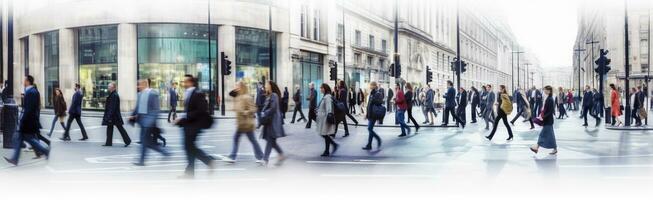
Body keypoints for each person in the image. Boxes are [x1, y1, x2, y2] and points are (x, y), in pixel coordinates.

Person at [174, 75, 216, 177]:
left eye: (185, 82)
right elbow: (188, 110)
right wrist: (180, 120)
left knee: (189, 147)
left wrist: (185, 117)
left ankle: (208, 161)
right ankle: (191, 172)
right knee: (189, 147)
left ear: (191, 82)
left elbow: (201, 110)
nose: (184, 84)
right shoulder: (189, 93)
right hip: (188, 125)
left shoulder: (198, 93)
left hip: (194, 126)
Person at [4, 75, 49, 166]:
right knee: (22, 139)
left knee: (27, 139)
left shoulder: (31, 92)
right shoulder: (30, 91)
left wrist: (23, 121)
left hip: (28, 122)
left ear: (28, 81)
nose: (23, 82)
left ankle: (45, 151)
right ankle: (15, 159)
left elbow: (29, 109)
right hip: (29, 121)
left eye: (24, 80)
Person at [131, 79, 170, 166]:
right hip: (141, 122)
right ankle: (164, 152)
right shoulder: (139, 94)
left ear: (145, 85)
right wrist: (132, 115)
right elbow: (137, 107)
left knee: (145, 142)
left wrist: (151, 121)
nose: (138, 87)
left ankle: (142, 161)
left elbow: (156, 110)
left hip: (148, 122)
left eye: (139, 85)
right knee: (146, 142)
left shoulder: (153, 94)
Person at [225, 81, 264, 164]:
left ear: (242, 87)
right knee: (250, 140)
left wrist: (246, 112)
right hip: (241, 123)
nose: (236, 87)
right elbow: (230, 94)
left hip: (246, 123)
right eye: (235, 86)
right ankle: (260, 156)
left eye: (237, 86)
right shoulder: (238, 96)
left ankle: (233, 157)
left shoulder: (247, 97)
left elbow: (254, 109)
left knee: (248, 140)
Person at [260, 81, 287, 166]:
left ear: (271, 86)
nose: (265, 86)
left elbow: (273, 108)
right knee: (270, 140)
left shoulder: (274, 95)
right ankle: (281, 154)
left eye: (267, 85)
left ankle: (265, 159)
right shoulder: (268, 95)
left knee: (270, 140)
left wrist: (264, 113)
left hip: (273, 121)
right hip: (269, 121)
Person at [101, 82, 131, 147]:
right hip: (114, 116)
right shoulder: (113, 94)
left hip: (114, 116)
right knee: (110, 128)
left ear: (113, 87)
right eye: (108, 86)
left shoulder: (114, 95)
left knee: (120, 128)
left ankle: (128, 140)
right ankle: (108, 143)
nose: (108, 87)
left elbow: (112, 107)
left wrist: (109, 116)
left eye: (109, 86)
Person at [530, 85, 558, 155]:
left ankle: (536, 147)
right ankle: (554, 149)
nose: (544, 91)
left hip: (548, 120)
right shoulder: (548, 98)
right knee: (550, 135)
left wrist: (543, 117)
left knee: (542, 135)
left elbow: (550, 111)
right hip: (548, 120)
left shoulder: (550, 99)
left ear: (549, 91)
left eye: (545, 90)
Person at [316, 83, 339, 157]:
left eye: (322, 88)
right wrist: (317, 109)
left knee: (324, 134)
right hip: (323, 118)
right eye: (320, 88)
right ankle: (332, 146)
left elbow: (329, 107)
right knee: (324, 134)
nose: (321, 89)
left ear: (325, 88)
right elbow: (323, 106)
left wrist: (329, 114)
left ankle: (328, 150)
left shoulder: (328, 97)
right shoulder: (325, 96)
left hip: (325, 119)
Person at [364, 82, 383, 150]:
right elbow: (369, 104)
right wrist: (366, 114)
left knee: (369, 129)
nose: (370, 86)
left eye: (371, 85)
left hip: (374, 114)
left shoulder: (378, 93)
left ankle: (378, 139)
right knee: (370, 129)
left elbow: (380, 102)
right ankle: (369, 145)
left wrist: (373, 99)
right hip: (370, 113)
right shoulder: (371, 93)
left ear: (374, 86)